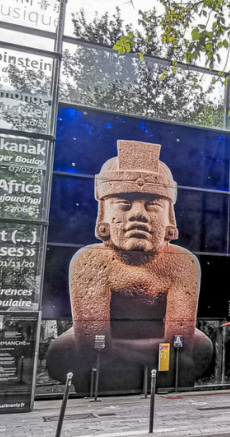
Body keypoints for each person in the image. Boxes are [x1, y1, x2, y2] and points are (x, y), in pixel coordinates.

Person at [46, 140, 212, 392]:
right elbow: (91, 344)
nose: (138, 214)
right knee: (64, 351)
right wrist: (156, 352)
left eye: (152, 204)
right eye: (124, 204)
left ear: (170, 218)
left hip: (145, 355)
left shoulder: (182, 262)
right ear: (104, 215)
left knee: (202, 347)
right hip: (122, 356)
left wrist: (115, 352)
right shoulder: (90, 260)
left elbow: (182, 347)